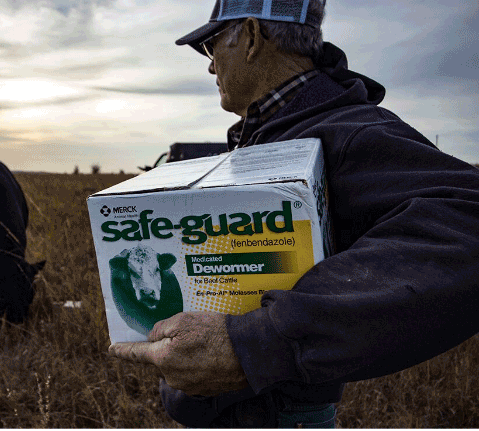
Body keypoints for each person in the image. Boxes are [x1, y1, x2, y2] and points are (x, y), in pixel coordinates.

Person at [108, 0, 479, 427]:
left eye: (211, 47)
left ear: (249, 38)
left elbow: (468, 216)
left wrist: (257, 343)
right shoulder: (278, 132)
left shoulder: (350, 132)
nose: (211, 68)